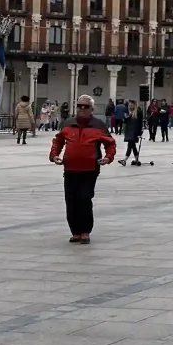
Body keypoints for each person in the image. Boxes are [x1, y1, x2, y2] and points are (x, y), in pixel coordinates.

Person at [50, 94, 115, 244]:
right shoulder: (68, 123)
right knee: (71, 201)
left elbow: (110, 144)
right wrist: (54, 155)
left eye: (86, 107)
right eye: (79, 106)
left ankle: (85, 231)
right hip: (70, 169)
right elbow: (58, 141)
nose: (82, 109)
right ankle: (75, 231)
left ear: (92, 109)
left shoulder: (98, 125)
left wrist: (108, 157)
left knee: (84, 199)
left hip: (89, 170)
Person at [118, 100, 144, 166]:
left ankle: (125, 160)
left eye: (131, 105)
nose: (130, 106)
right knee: (133, 146)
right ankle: (137, 159)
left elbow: (140, 123)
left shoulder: (138, 112)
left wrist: (140, 132)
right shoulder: (127, 112)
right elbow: (125, 121)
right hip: (129, 130)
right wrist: (126, 117)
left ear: (134, 105)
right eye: (129, 105)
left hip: (135, 131)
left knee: (130, 145)